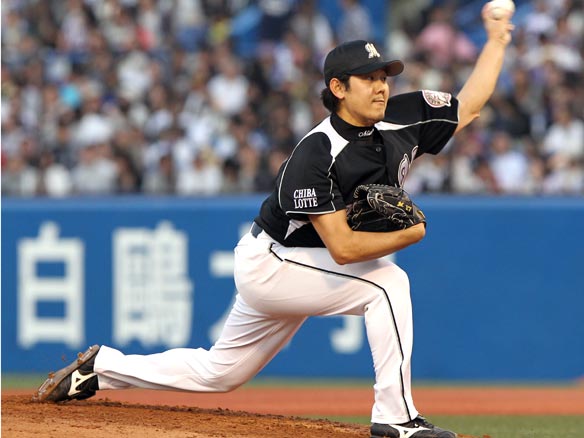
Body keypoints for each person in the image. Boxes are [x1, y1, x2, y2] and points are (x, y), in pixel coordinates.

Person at [33, 6, 514, 438]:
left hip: (305, 264)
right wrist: (411, 233)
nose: (382, 85)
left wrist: (496, 41)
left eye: (384, 75)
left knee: (220, 374)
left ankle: (102, 369)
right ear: (338, 88)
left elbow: (469, 105)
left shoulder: (402, 117)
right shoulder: (316, 153)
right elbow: (344, 248)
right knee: (388, 284)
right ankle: (396, 416)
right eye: (368, 78)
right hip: (274, 263)